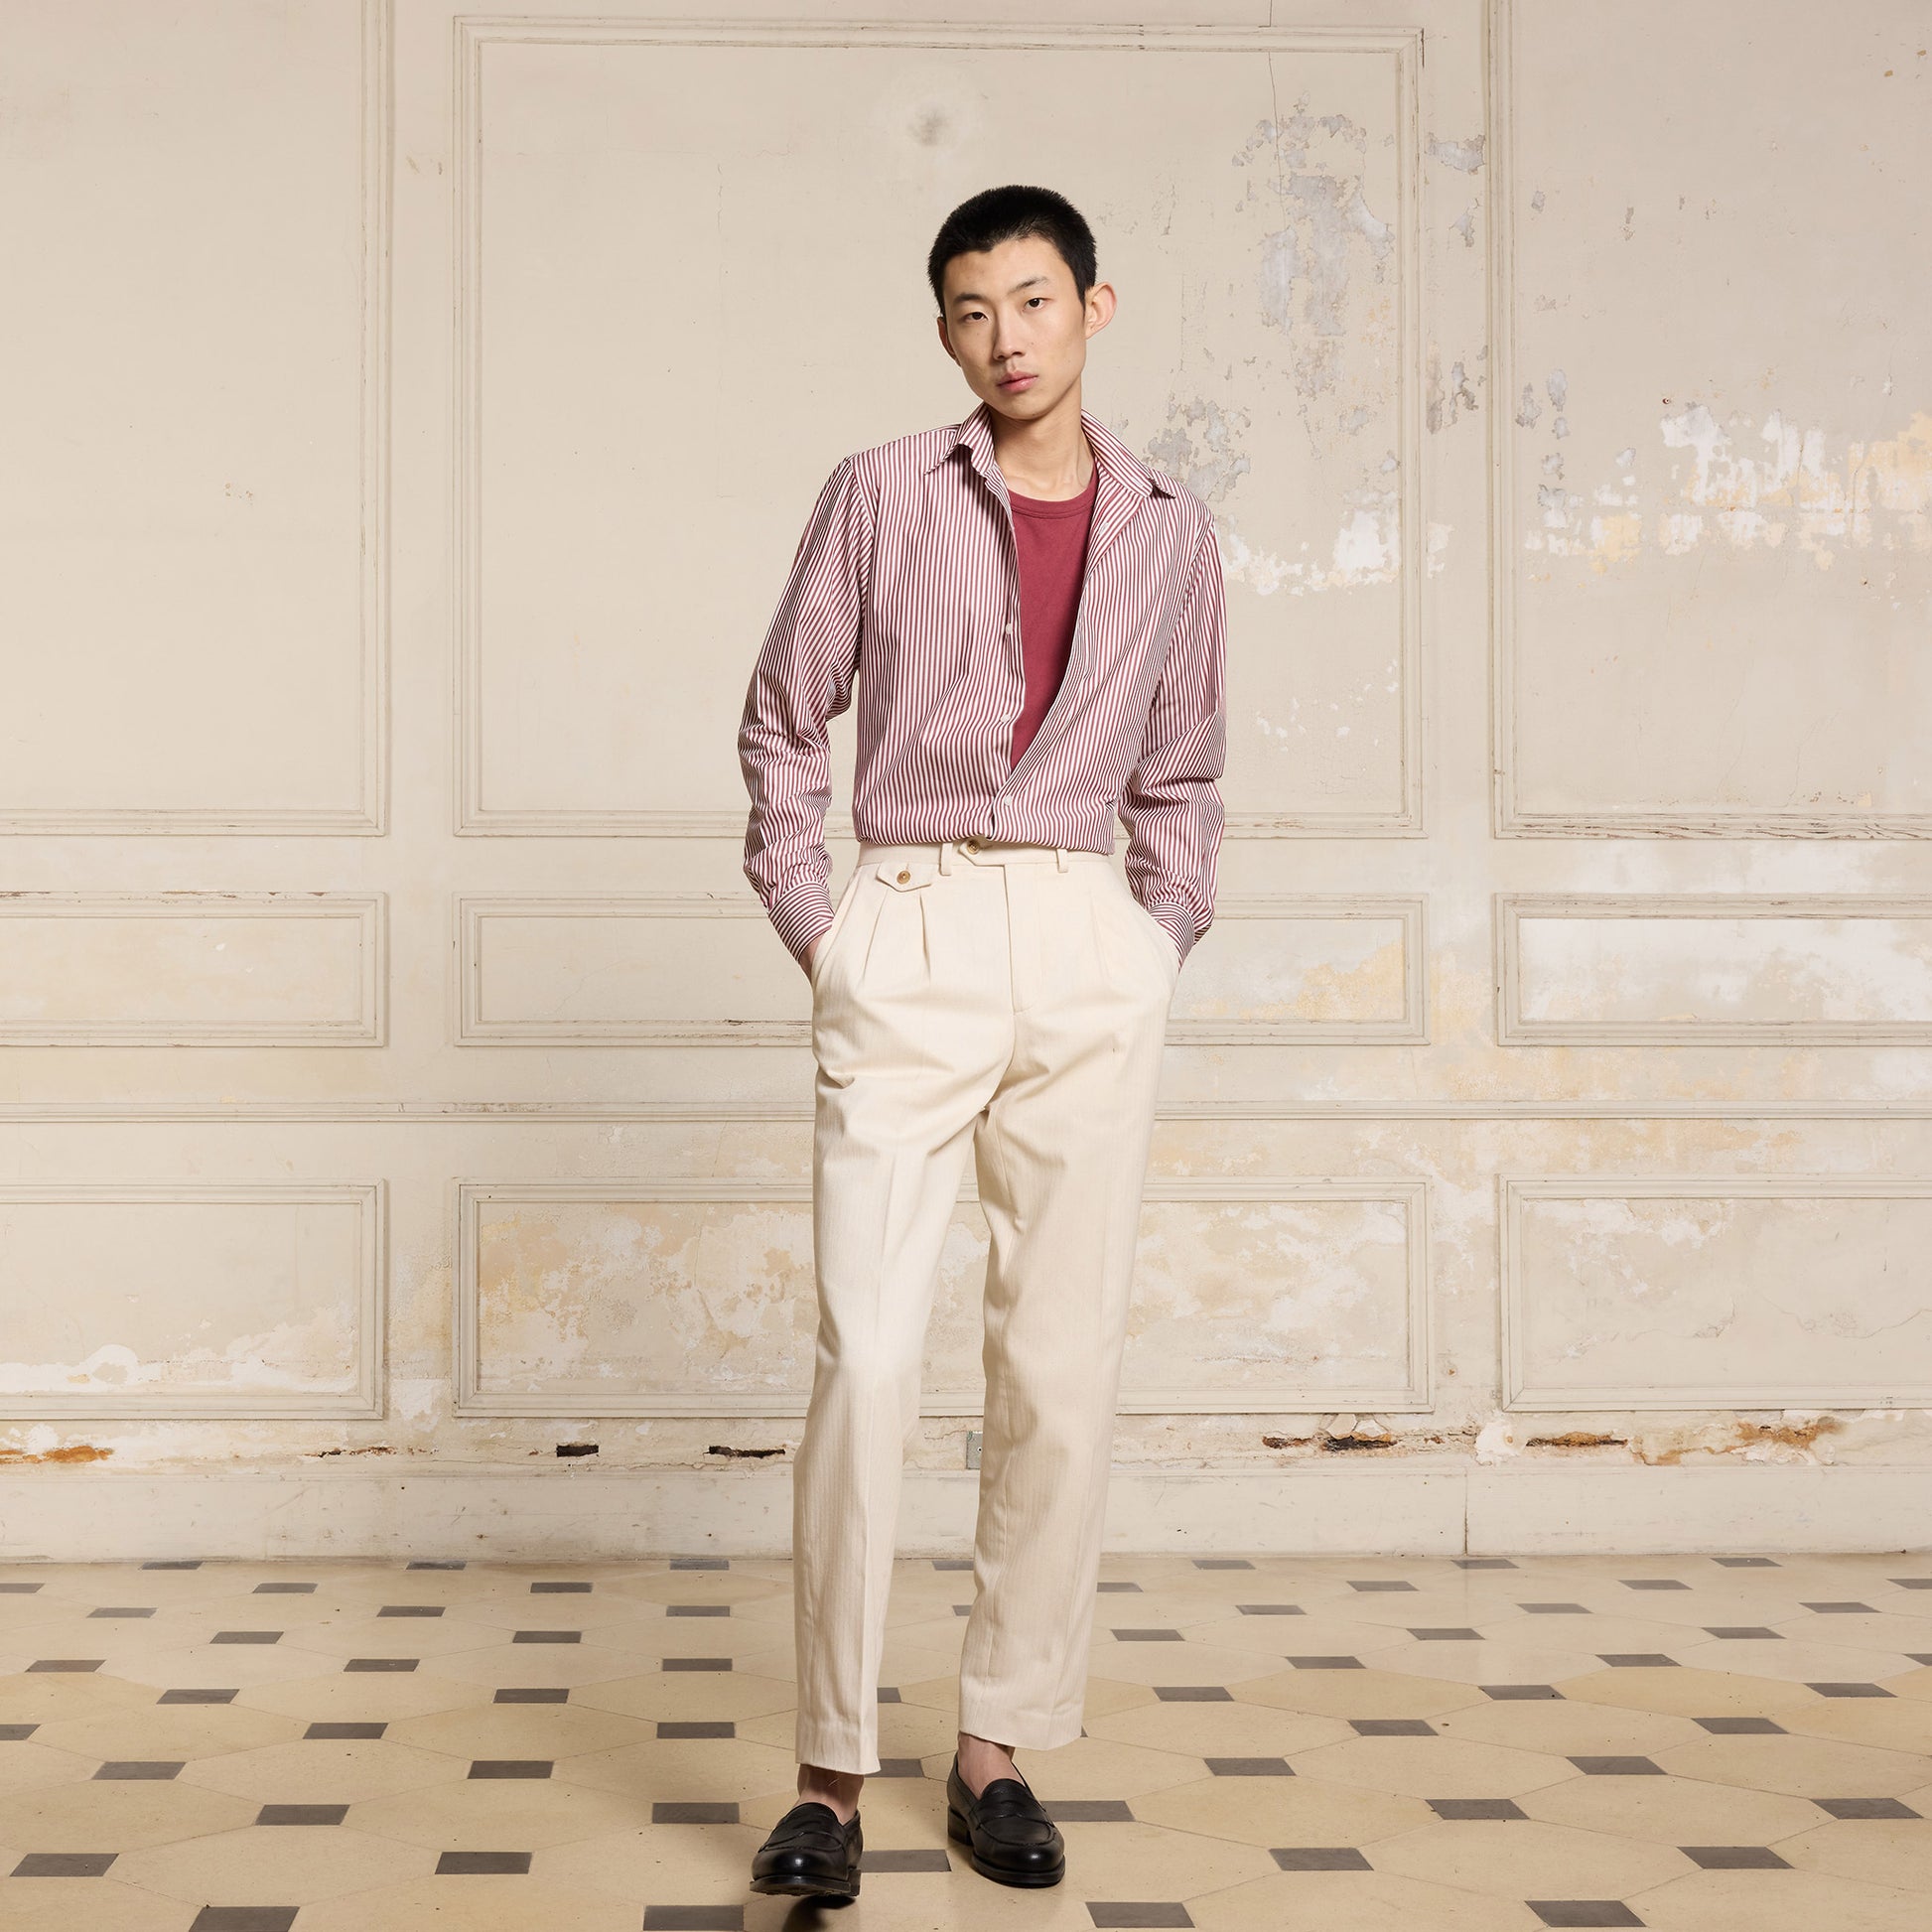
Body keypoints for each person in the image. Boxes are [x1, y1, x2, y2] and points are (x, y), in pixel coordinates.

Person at [737, 183, 1227, 1901]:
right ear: (942, 329)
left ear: (1094, 306)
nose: (1003, 338)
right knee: (869, 1356)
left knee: (1060, 1366)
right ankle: (827, 1777)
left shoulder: (1170, 527)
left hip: (1086, 940)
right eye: (969, 309)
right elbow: (784, 719)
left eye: (1030, 300)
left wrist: (1152, 938)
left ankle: (996, 1749)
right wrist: (827, 931)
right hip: (912, 923)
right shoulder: (879, 492)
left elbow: (1182, 765)